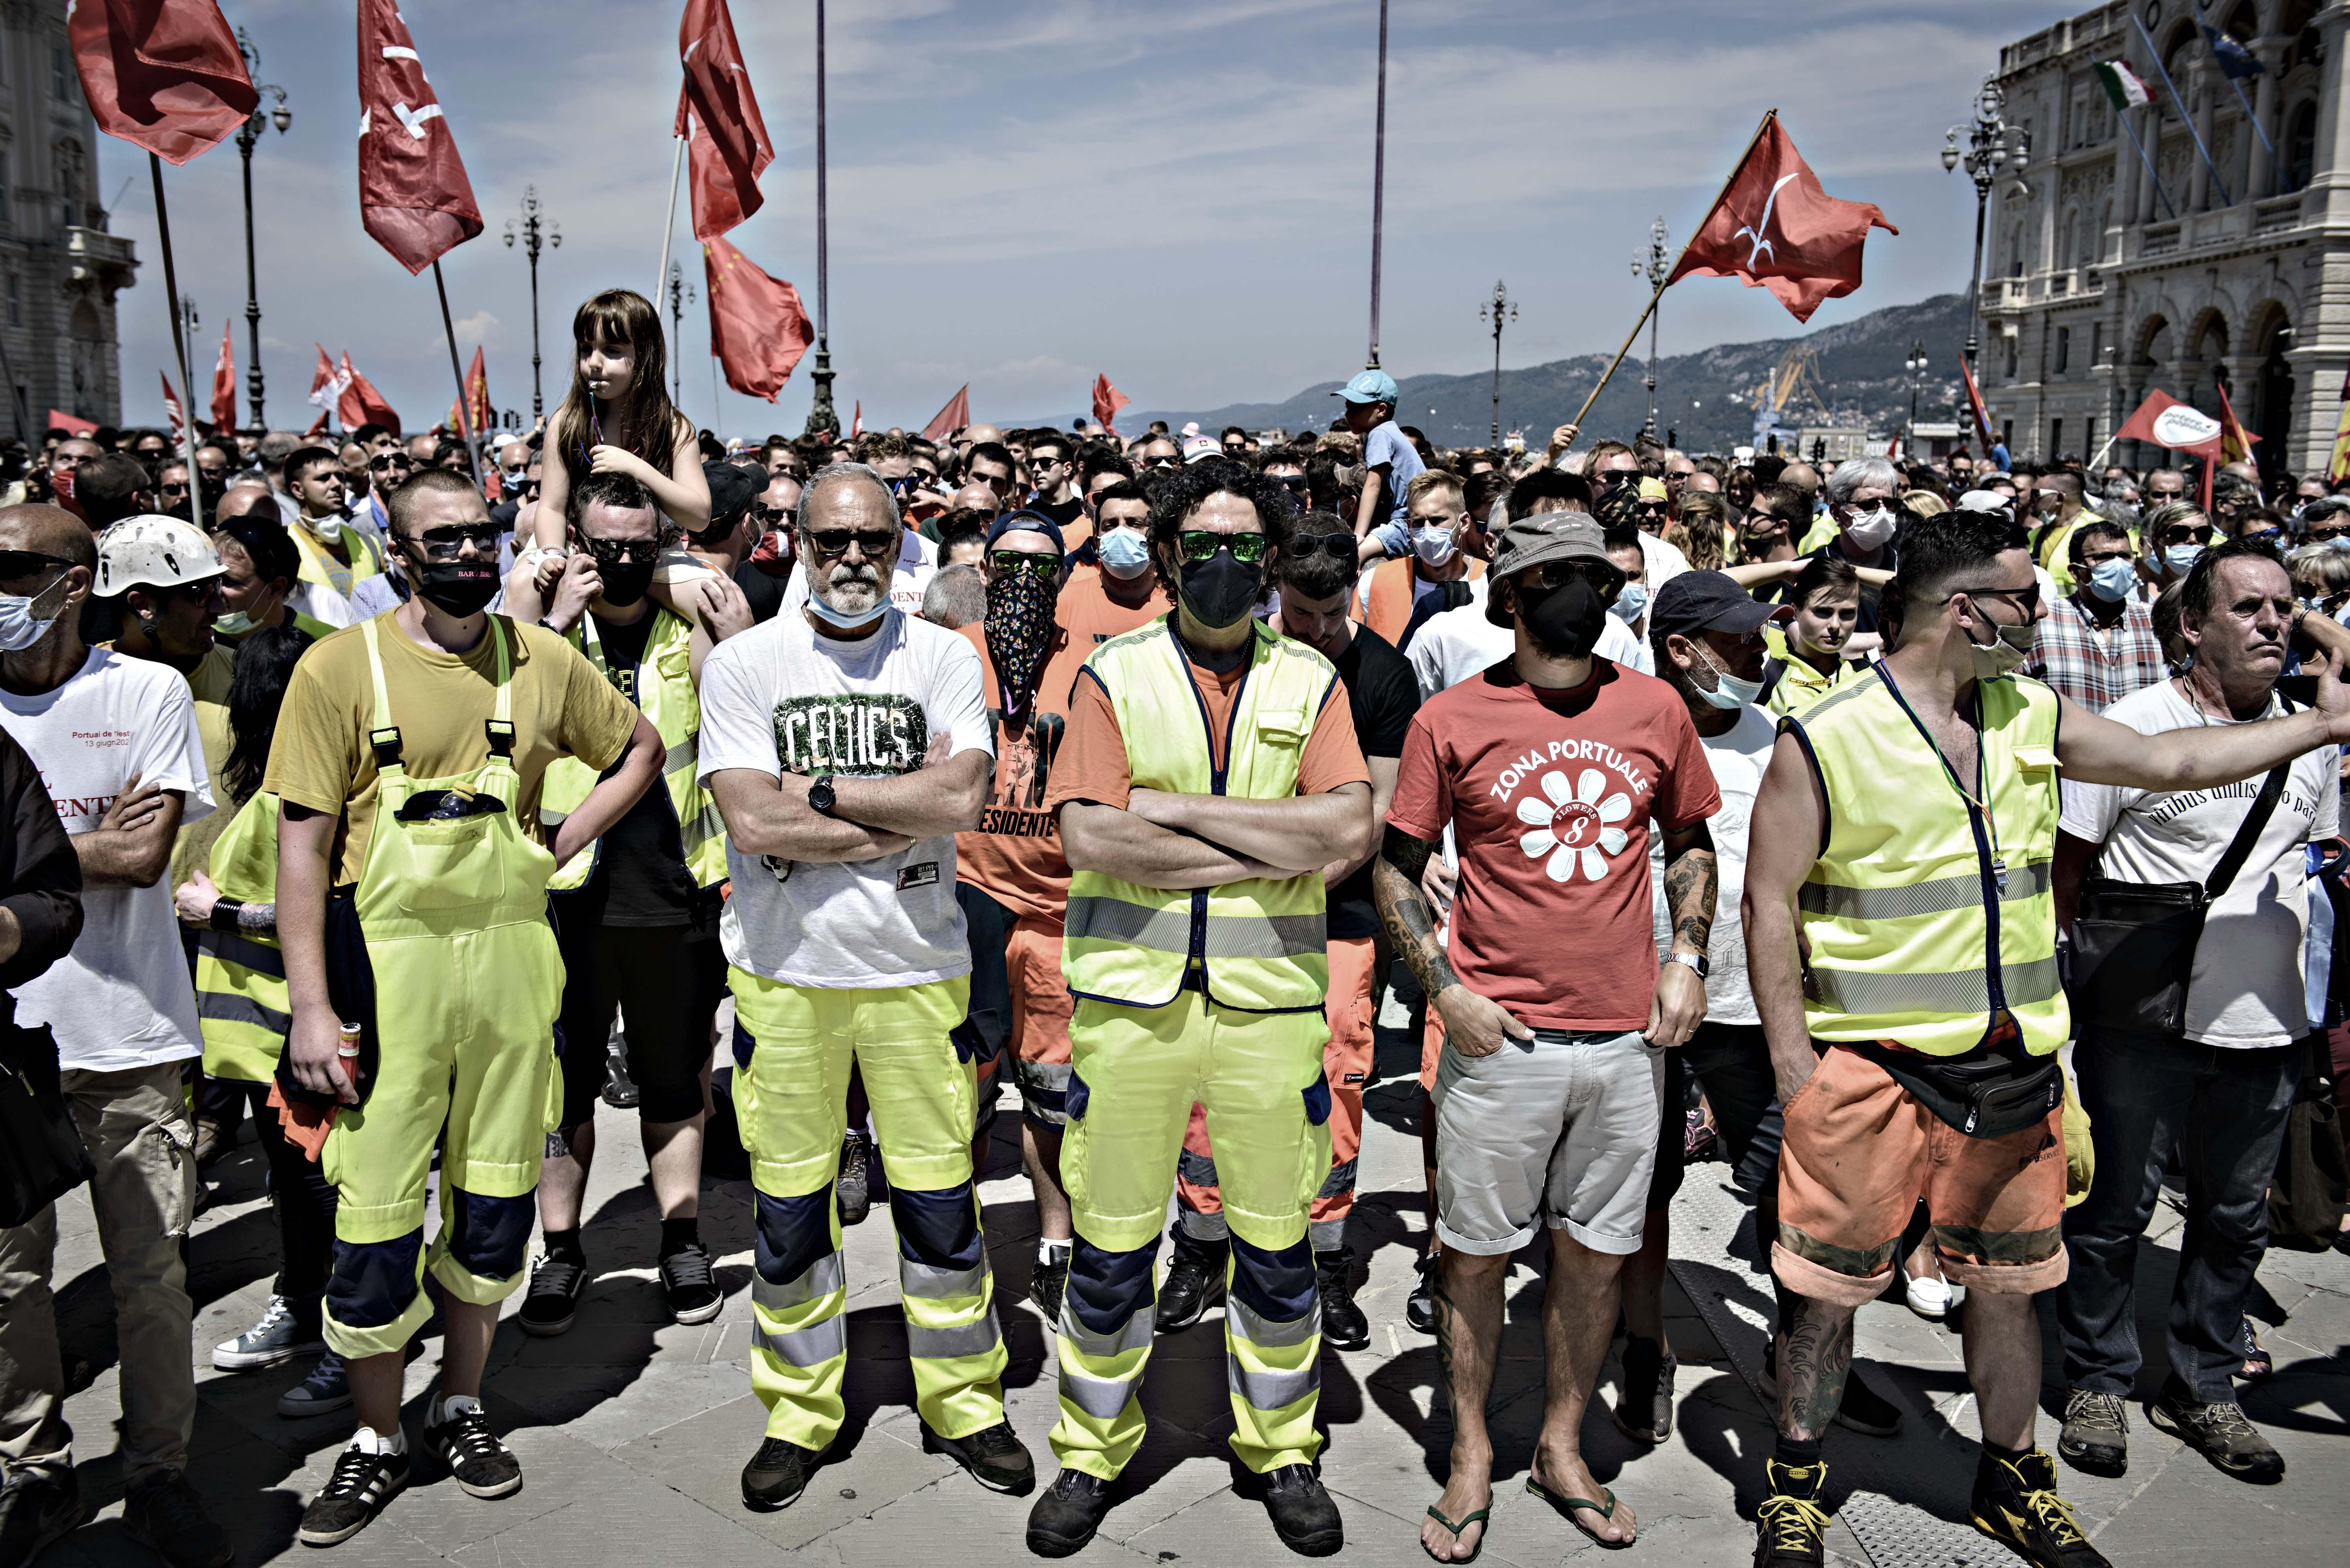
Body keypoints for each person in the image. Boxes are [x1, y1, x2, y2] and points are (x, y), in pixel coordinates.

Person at [1740, 508, 2350, 1568]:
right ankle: (1797, 1479)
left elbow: (2168, 759)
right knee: (1826, 1296)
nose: (2045, 608)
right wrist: (1796, 1071)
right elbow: (1766, 902)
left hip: (2011, 1071)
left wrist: (2321, 726)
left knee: (2012, 1288)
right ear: (1964, 608)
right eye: (2025, 595)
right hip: (1870, 1073)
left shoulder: (2029, 711)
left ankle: (2012, 1475)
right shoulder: (1829, 735)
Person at [269, 469, 661, 1547]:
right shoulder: (337, 668)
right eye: (439, 538)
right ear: (396, 553)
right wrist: (310, 1007)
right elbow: (301, 849)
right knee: (375, 1220)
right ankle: (377, 1438)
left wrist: (563, 839)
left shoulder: (542, 658)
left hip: (509, 973)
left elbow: (640, 750)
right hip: (386, 980)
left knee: (493, 1206)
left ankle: (464, 1404)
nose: (465, 551)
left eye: (480, 532)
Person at [1028, 459, 1372, 1558]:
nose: (1222, 563)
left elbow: (1348, 835)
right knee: (1114, 1250)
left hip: (1267, 1012)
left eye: (1243, 546)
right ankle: (1092, 1449)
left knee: (1276, 1248)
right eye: (1203, 545)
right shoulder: (1111, 673)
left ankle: (1284, 1447)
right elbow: (1091, 836)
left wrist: (1172, 813)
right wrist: (1266, 839)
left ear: (1270, 562)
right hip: (1132, 1012)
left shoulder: (1310, 680)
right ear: (1168, 556)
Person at [1375, 512, 1719, 1560]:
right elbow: (1394, 865)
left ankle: (1560, 1445)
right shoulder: (1452, 717)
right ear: (1514, 598)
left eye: (1600, 574)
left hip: (1625, 1042)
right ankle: (1473, 1447)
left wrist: (1687, 956)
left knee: (1597, 1255)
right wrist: (1443, 989)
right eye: (1563, 576)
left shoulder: (1657, 708)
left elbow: (1691, 842)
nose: (1591, 590)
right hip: (1500, 1039)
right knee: (1475, 1256)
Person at [696, 462, 1030, 1512]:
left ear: (901, 547)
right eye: (831, 539)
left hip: (917, 970)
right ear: (799, 542)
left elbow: (965, 794)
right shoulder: (747, 662)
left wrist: (823, 792)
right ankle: (800, 1409)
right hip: (785, 973)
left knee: (939, 1203)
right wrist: (899, 809)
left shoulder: (940, 655)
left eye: (872, 542)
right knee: (791, 1210)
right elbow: (754, 822)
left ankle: (966, 1399)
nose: (851, 559)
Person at [2053, 540, 2342, 1486]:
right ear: (2190, 625)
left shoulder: (2314, 733)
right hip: (2141, 1018)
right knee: (2114, 1211)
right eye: (2249, 607)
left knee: (2233, 1220)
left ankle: (2204, 1382)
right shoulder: (2134, 728)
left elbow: (2316, 864)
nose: (2272, 623)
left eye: (2284, 608)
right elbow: (2069, 869)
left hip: (2265, 1027)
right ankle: (2099, 1375)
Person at [0, 504, 230, 1568]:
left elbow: (144, 860)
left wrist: (32, 862)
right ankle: (32, 1467)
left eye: (14, 566)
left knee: (150, 1274)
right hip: (12, 1045)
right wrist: (84, 845)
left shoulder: (145, 690)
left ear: (75, 579)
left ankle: (158, 1469)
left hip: (129, 1033)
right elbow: (110, 846)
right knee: (9, 1280)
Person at [1164, 524, 1420, 1352]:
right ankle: (1202, 1246)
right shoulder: (1247, 662)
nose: (1311, 630)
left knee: (1336, 1082)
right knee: (1209, 1083)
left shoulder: (1383, 673)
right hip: (1232, 913)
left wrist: (1277, 866)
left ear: (1354, 593)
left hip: (1336, 918)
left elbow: (1368, 822)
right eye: (1298, 613)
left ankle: (1325, 1256)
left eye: (1329, 613)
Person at [513, 471, 750, 1339]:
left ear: (660, 548)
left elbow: (736, 711)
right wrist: (548, 627)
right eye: (603, 545)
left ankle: (681, 1239)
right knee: (563, 1087)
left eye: (637, 548)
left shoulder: (680, 626)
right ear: (576, 544)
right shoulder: (543, 634)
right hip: (566, 898)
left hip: (672, 890)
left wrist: (729, 637)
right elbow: (502, 722)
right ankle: (563, 1249)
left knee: (674, 1081)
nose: (619, 561)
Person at [1612, 572, 1806, 1451]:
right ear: (1682, 652)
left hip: (1751, 1006)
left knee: (1792, 1189)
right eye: (1739, 643)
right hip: (1638, 1000)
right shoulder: (1628, 727)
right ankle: (1645, 1347)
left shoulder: (1783, 740)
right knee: (1642, 1190)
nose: (1759, 655)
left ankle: (1801, 1352)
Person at [177, 624, 354, 1418]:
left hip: (301, 1028)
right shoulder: (277, 783)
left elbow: (320, 905)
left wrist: (217, 910)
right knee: (298, 1181)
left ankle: (347, 1330)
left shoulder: (304, 789)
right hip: (264, 1030)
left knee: (323, 1184)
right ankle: (308, 1306)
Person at [948, 512, 1095, 1324]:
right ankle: (956, 1247)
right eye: (1010, 565)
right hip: (968, 898)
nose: (1026, 583)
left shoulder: (1092, 665)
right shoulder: (950, 653)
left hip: (1057, 912)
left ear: (1067, 576)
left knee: (1053, 1095)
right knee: (960, 1090)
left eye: (1045, 568)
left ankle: (1055, 1245)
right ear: (985, 571)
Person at [2027, 521, 2166, 713]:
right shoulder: (2042, 622)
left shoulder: (2157, 620)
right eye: (2104, 558)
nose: (2118, 565)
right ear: (2075, 571)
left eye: (2125, 556)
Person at [1351, 470, 1483, 651]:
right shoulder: (1373, 582)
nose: (1427, 532)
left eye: (1438, 520)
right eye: (1419, 523)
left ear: (1464, 523)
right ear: (1409, 527)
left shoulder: (1488, 582)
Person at [1055, 481, 1166, 644]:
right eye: (1110, 525)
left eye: (1134, 523)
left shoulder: (1178, 606)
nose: (1121, 532)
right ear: (1097, 543)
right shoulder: (1062, 605)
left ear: (1155, 538)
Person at [1761, 555, 1870, 715]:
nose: (1835, 625)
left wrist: (1850, 572)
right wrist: (1787, 569)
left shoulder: (1865, 673)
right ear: (1796, 610)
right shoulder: (1770, 678)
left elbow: (1917, 589)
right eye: (1823, 612)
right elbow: (1712, 587)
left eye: (1847, 613)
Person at [283, 445, 387, 609]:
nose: (337, 484)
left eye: (340, 477)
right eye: (324, 478)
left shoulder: (368, 543)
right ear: (298, 490)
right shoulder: (283, 545)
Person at [1337, 370, 1424, 555]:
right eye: (1347, 407)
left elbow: (1373, 485)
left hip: (1408, 523)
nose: (1348, 414)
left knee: (1355, 556)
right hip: (1413, 520)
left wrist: (1359, 535)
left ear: (1382, 410)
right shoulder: (1387, 432)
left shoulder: (1380, 434)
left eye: (1357, 408)